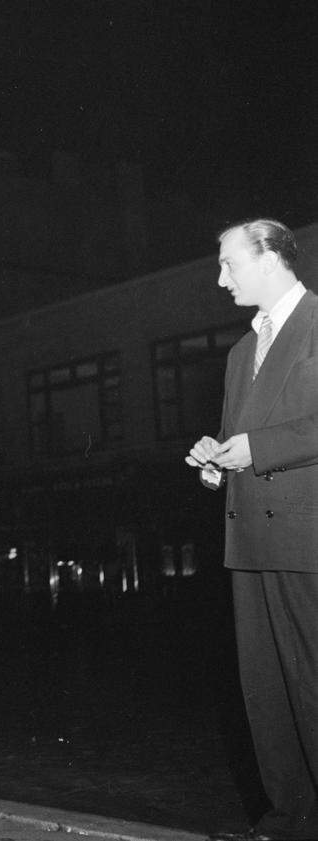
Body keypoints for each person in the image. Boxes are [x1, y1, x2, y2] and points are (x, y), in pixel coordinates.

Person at [185, 219, 318, 841]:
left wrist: (255, 449)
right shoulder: (241, 352)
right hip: (250, 542)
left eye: (228, 264)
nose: (220, 278)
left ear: (269, 258)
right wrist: (216, 462)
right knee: (265, 689)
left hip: (305, 538)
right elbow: (240, 437)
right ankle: (289, 815)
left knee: (312, 681)